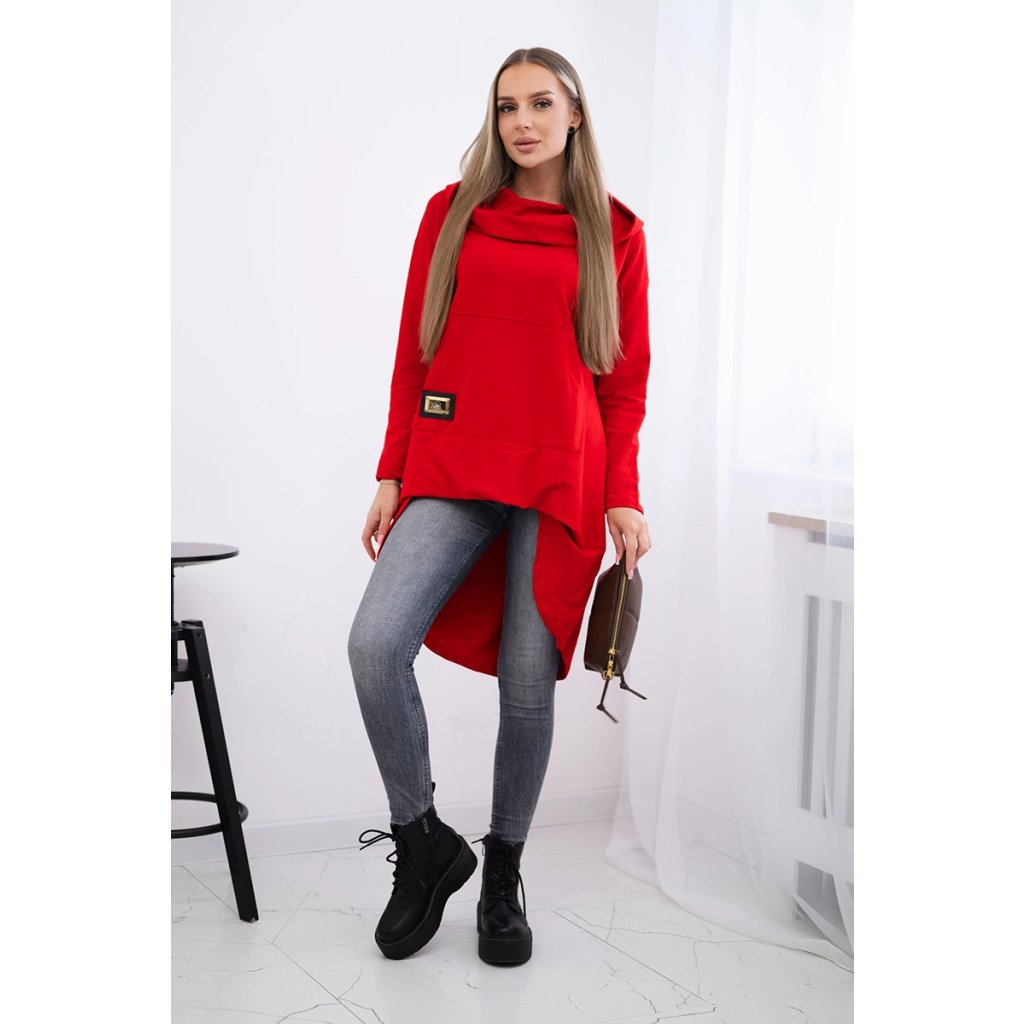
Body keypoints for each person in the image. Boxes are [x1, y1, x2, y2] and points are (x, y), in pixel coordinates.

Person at [347, 46, 652, 966]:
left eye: (540, 104)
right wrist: (392, 470)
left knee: (527, 685)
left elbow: (622, 384)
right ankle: (423, 842)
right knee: (375, 645)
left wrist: (625, 497)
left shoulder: (615, 233)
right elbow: (416, 349)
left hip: (562, 477)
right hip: (456, 462)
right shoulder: (454, 214)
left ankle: (503, 873)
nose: (522, 122)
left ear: (575, 114)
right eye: (507, 106)